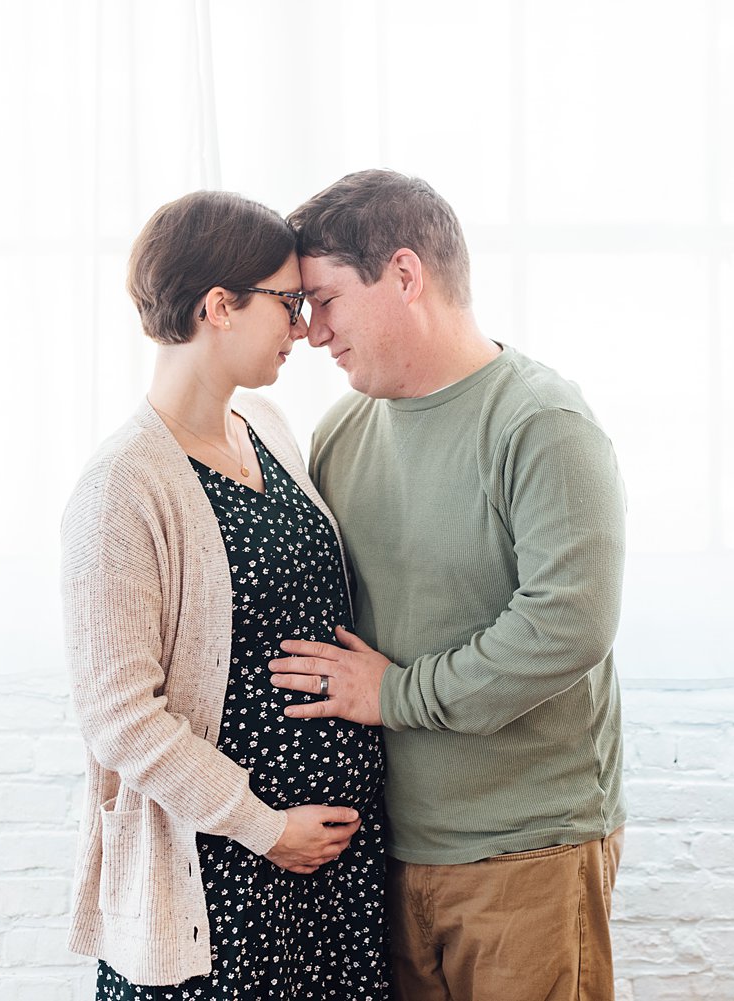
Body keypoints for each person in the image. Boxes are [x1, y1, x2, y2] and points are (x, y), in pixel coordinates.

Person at [268, 169, 627, 1001]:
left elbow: (566, 628)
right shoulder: (342, 429)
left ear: (402, 275)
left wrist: (396, 693)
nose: (313, 333)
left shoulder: (540, 423)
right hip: (386, 853)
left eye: (324, 300)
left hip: (527, 849)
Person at [60, 190, 389, 999]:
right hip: (220, 874)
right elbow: (119, 716)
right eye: (287, 302)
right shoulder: (121, 489)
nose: (303, 327)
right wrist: (266, 828)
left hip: (328, 876)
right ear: (219, 306)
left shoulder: (268, 426)